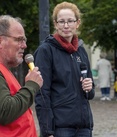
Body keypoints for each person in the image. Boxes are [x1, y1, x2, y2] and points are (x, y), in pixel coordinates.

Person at [34, 2, 95, 137]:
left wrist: (89, 87)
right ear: (55, 24)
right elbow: (42, 93)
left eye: (70, 21)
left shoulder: (80, 50)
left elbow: (90, 94)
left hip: (84, 127)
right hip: (60, 128)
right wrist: (47, 131)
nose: (66, 26)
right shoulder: (46, 50)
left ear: (77, 23)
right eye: (61, 22)